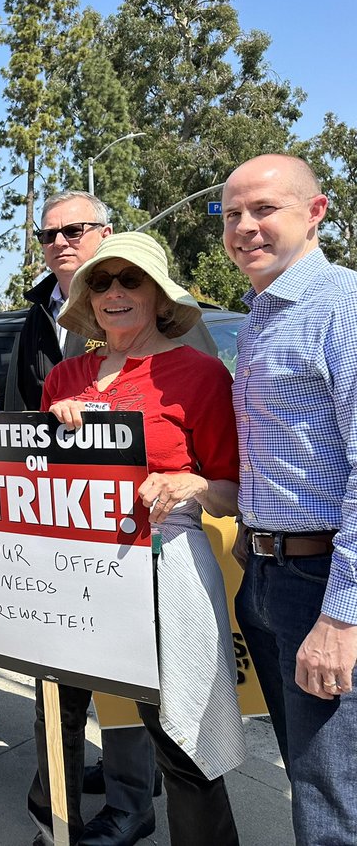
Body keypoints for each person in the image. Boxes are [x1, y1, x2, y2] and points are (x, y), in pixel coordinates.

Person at [31, 231, 244, 846]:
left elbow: (232, 489)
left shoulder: (198, 374)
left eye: (131, 280)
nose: (115, 292)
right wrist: (56, 431)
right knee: (61, 711)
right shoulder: (65, 377)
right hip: (70, 566)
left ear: (158, 294)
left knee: (182, 732)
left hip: (162, 567)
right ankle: (57, 830)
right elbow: (32, 476)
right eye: (101, 282)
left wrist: (187, 482)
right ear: (87, 299)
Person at [6, 191, 163, 844]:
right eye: (48, 235)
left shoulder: (156, 308)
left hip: (138, 544)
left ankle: (133, 802)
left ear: (107, 232)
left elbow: (184, 420)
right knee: (63, 679)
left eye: (74, 230)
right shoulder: (39, 319)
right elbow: (21, 419)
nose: (60, 242)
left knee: (126, 687)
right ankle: (66, 804)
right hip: (60, 536)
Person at [224, 154, 357, 845]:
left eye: (264, 209)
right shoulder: (259, 318)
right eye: (232, 214)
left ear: (317, 211)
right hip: (271, 576)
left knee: (334, 796)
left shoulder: (342, 306)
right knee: (310, 778)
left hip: (324, 584)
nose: (245, 226)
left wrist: (342, 616)